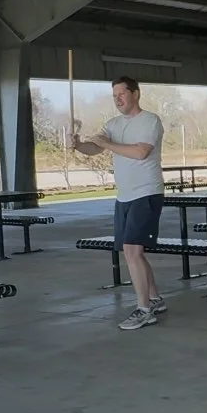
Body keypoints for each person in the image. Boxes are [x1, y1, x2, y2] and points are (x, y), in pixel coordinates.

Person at [73, 76, 166, 331]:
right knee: (134, 252)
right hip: (124, 196)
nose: (118, 99)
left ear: (135, 94)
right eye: (114, 95)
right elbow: (95, 147)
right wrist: (80, 145)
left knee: (132, 251)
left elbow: (140, 152)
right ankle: (155, 298)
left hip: (146, 193)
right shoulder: (112, 124)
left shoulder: (150, 120)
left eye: (121, 94)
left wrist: (106, 143)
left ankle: (144, 310)